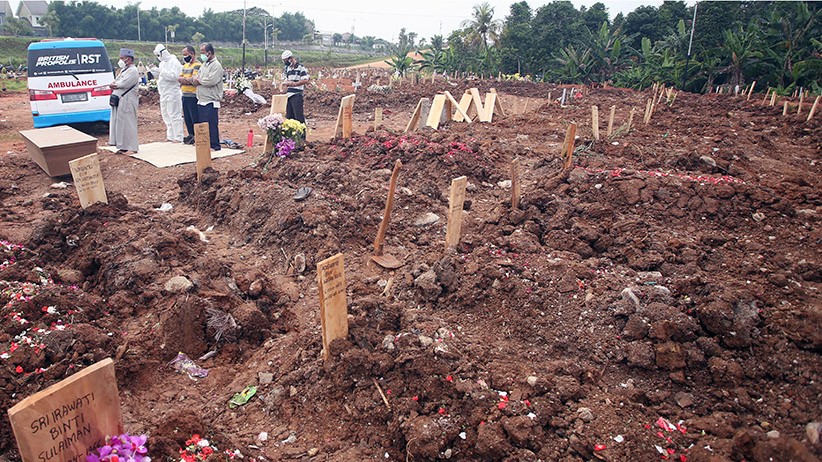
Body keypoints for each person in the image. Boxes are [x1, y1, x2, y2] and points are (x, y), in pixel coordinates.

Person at [193, 43, 224, 151]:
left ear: (209, 53)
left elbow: (211, 80)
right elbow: (197, 76)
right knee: (203, 125)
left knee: (211, 124)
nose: (201, 55)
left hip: (211, 100)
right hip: (202, 99)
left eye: (203, 53)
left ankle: (214, 145)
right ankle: (205, 144)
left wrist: (199, 81)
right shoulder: (205, 64)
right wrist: (196, 80)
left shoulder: (216, 66)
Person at [108, 48, 140, 154]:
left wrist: (114, 85)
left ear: (129, 59)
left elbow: (122, 84)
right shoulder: (124, 70)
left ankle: (132, 147)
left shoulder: (133, 71)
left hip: (128, 101)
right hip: (121, 101)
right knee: (121, 123)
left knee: (129, 124)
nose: (121, 60)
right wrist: (114, 84)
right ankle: (123, 146)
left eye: (122, 58)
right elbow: (117, 80)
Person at [153, 44, 184, 143]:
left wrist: (161, 72)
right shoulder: (162, 64)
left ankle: (178, 137)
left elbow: (175, 77)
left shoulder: (174, 62)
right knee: (166, 115)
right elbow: (162, 77)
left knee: (174, 115)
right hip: (163, 92)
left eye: (159, 55)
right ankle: (170, 136)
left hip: (172, 92)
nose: (158, 57)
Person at [177, 45, 201, 144]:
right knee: (187, 117)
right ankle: (191, 135)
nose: (185, 57)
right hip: (184, 94)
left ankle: (197, 136)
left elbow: (194, 79)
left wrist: (185, 80)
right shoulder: (185, 66)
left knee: (194, 116)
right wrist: (186, 80)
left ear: (192, 54)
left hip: (193, 94)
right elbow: (179, 78)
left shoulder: (197, 65)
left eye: (186, 55)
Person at [280, 50, 309, 131]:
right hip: (289, 96)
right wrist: (284, 88)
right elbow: (287, 81)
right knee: (289, 117)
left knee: (298, 117)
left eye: (285, 61)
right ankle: (292, 137)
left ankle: (302, 137)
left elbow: (305, 80)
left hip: (297, 95)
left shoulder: (300, 67)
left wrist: (295, 84)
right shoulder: (288, 69)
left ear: (290, 58)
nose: (285, 63)